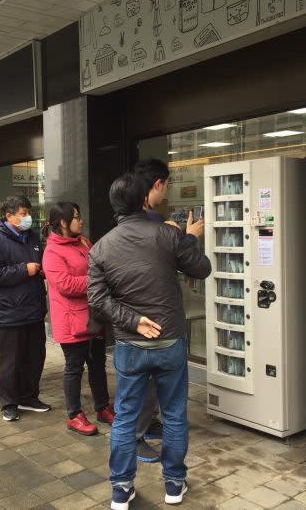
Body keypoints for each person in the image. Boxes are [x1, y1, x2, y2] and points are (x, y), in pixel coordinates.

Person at [88, 174, 211, 509]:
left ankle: (121, 490)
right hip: (170, 340)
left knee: (126, 417)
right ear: (144, 200)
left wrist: (133, 321)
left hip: (130, 345)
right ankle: (174, 484)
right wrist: (189, 237)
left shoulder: (101, 246)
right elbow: (202, 269)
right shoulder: (168, 235)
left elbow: (97, 300)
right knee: (174, 414)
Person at [131, 158, 203, 462]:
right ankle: (137, 435)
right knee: (148, 381)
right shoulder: (155, 226)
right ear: (158, 184)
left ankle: (148, 425)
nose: (167, 190)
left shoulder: (133, 222)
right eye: (167, 184)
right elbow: (195, 266)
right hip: (152, 316)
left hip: (140, 315)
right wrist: (188, 238)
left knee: (149, 380)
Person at [42, 202, 115, 435]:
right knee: (74, 368)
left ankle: (103, 407)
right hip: (72, 321)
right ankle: (74, 414)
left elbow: (98, 265)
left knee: (97, 365)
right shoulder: (52, 251)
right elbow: (65, 285)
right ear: (63, 223)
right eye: (76, 217)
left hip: (93, 315)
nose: (81, 220)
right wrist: (96, 282)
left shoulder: (83, 241)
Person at [0, 196, 50, 422]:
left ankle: (29, 397)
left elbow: (40, 263)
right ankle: (9, 403)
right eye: (23, 213)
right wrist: (24, 270)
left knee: (35, 357)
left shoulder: (33, 236)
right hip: (9, 312)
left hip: (34, 308)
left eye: (29, 212)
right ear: (9, 216)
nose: (27, 216)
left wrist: (41, 270)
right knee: (11, 362)